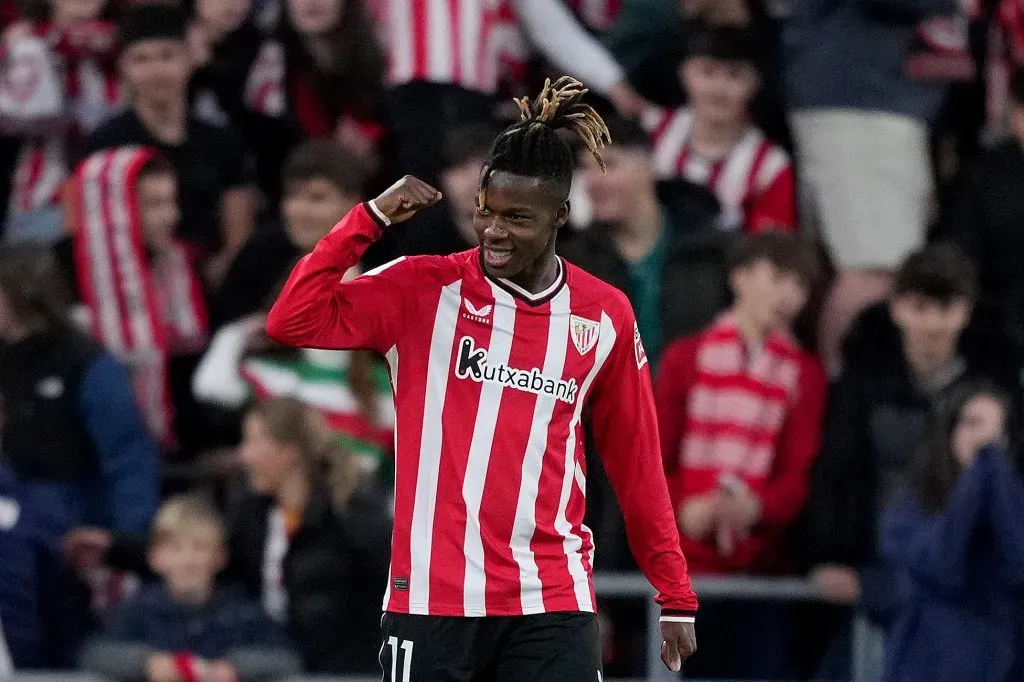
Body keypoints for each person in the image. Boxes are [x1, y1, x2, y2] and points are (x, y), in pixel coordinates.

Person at [266, 76, 699, 680]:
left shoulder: (603, 315)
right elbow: (292, 319)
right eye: (486, 211)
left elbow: (637, 462)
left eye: (517, 217)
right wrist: (368, 218)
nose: (494, 231)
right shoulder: (422, 288)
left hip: (551, 599)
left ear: (560, 216)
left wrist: (674, 592)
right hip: (432, 599)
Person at [803, 244, 1024, 671]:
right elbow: (838, 472)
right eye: (921, 307)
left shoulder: (995, 396)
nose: (933, 324)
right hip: (875, 567)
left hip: (970, 587)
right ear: (898, 308)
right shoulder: (863, 380)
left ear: (965, 312)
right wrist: (832, 556)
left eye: (946, 308)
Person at [655, 231, 826, 678]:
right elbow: (652, 460)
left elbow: (798, 473)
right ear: (739, 277)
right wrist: (684, 508)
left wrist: (757, 508)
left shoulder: (805, 375)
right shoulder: (684, 358)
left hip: (761, 574)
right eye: (778, 278)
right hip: (680, 570)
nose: (789, 296)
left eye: (800, 286)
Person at [83, 3, 256, 287]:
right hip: (131, 283)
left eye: (167, 55)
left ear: (189, 59)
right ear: (123, 67)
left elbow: (238, 236)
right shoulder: (105, 143)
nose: (156, 71)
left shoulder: (221, 141)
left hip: (212, 283)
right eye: (141, 59)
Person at [228, 398, 392, 673]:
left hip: (346, 671)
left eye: (253, 442)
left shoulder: (352, 516)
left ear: (287, 452)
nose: (243, 455)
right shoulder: (250, 514)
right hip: (276, 662)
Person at [880, 382, 1024, 682]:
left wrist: (997, 482)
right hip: (926, 663)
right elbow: (941, 565)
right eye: (973, 423)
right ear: (950, 431)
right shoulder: (913, 505)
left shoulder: (1015, 502)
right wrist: (973, 489)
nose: (984, 439)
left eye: (996, 432)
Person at [69, 147, 209, 452]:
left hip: (175, 448)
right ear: (114, 211)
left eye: (172, 202)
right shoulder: (65, 280)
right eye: (154, 205)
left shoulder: (181, 268)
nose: (172, 217)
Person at [79, 495, 301, 682]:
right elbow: (95, 654)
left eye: (200, 548)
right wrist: (147, 663)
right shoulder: (138, 609)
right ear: (155, 558)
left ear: (221, 558)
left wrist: (237, 667)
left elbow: (286, 659)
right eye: (175, 548)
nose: (188, 560)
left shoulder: (243, 612)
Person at [641, 24, 795, 233]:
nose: (718, 89)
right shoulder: (649, 129)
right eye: (707, 72)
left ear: (755, 83)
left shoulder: (771, 167)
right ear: (684, 74)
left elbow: (770, 246)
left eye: (734, 75)